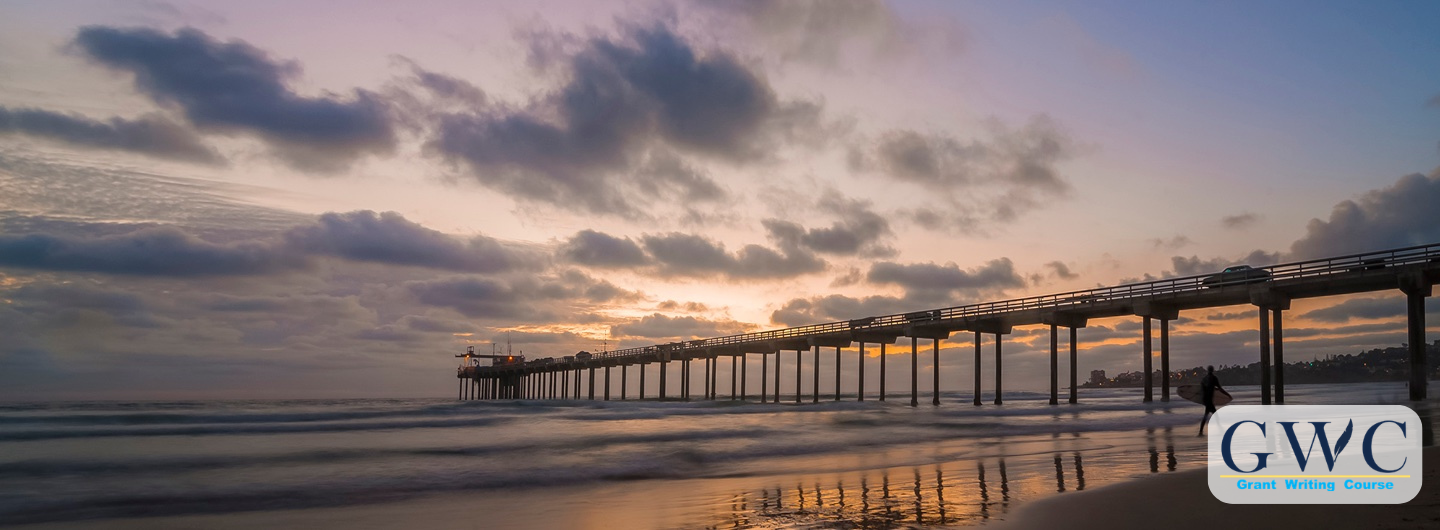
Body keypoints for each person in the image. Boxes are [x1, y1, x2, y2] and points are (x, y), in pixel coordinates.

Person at [1198, 366, 1223, 436]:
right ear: (1213, 370)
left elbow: (1202, 390)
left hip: (1205, 399)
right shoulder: (1214, 378)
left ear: (1207, 370)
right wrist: (1227, 395)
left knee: (1207, 415)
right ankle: (1220, 430)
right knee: (1216, 415)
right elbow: (1220, 388)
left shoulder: (1204, 379)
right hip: (1209, 400)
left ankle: (1200, 432)